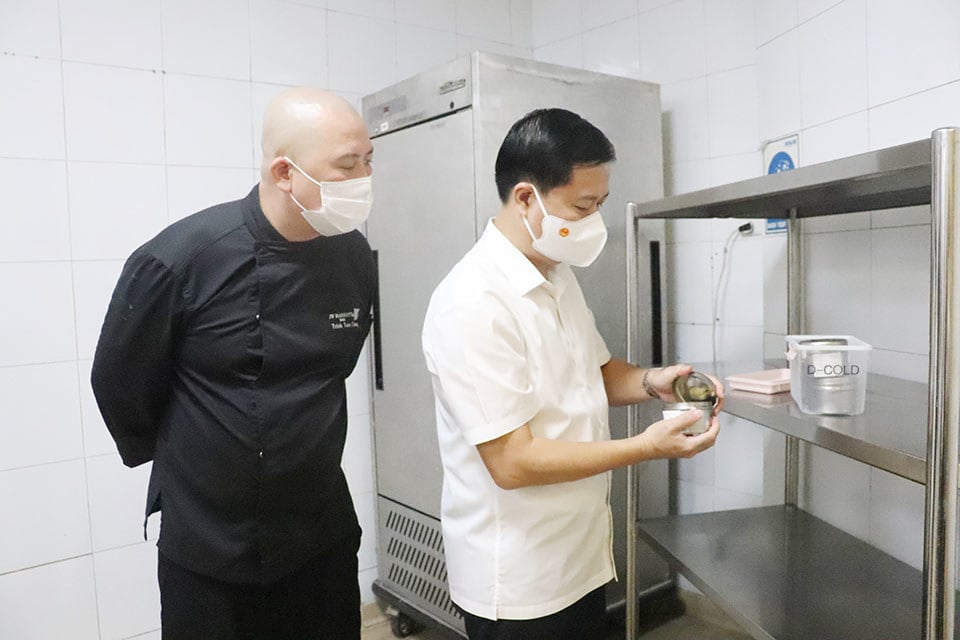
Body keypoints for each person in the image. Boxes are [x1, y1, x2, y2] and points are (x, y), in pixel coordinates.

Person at [421, 108, 723, 640]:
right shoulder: (471, 302)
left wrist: (658, 382)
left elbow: (597, 373)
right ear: (525, 198)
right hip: (518, 579)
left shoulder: (555, 274)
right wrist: (648, 447)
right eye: (583, 206)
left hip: (579, 555)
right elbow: (512, 462)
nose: (593, 223)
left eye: (600, 205)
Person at [91, 87, 375, 640]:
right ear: (285, 172)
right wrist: (206, 456)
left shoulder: (353, 255)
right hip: (209, 550)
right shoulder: (182, 258)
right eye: (347, 165)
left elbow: (335, 369)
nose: (364, 178)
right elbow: (119, 384)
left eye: (368, 161)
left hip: (319, 536)